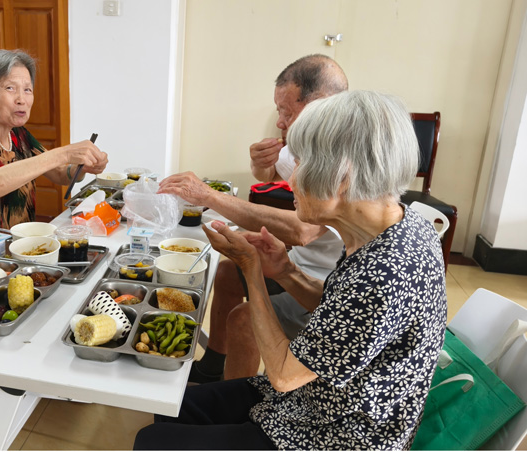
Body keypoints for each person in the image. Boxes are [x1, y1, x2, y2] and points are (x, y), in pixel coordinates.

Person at [135, 90, 447, 450]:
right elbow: (338, 311)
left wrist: (252, 268)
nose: (291, 181)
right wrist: (284, 270)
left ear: (342, 176)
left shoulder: (386, 273)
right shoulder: (396, 225)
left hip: (339, 432)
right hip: (317, 399)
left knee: (153, 441)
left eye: (301, 164)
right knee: (169, 406)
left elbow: (283, 375)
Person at [159, 54, 347, 382]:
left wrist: (209, 196)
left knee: (244, 319)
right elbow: (270, 172)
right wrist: (261, 165)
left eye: (286, 112)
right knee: (229, 271)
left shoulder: (343, 157)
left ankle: (235, 404)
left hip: (327, 284)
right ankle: (214, 365)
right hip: (296, 264)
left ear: (320, 105)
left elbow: (303, 230)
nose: (279, 122)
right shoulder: (306, 146)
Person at [0, 49, 109, 270]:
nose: (21, 99)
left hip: (24, 254)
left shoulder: (19, 135)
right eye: (10, 88)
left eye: (27, 90)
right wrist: (62, 153)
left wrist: (84, 167)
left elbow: (61, 173)